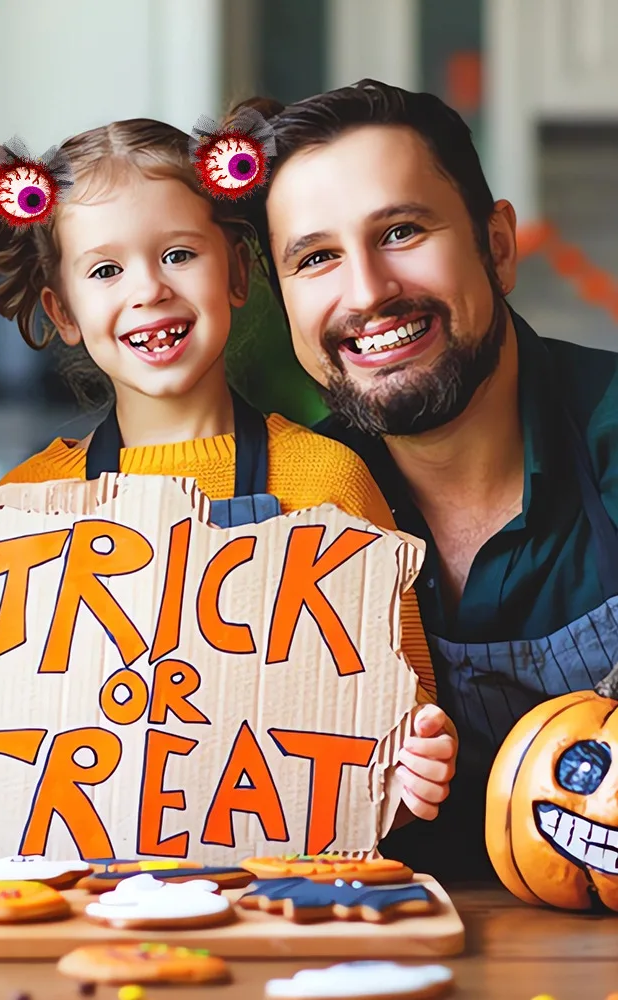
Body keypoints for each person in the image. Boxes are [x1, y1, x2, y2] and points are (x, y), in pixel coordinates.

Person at [0, 117, 459, 834]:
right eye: (106, 271)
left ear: (238, 273)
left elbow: (400, 691)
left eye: (179, 254)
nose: (148, 289)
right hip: (80, 898)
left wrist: (413, 759)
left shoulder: (327, 476)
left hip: (277, 896)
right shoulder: (22, 507)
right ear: (63, 311)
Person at [237, 78, 618, 879]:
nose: (368, 291)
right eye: (316, 258)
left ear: (500, 245)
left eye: (402, 230)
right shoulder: (285, 514)